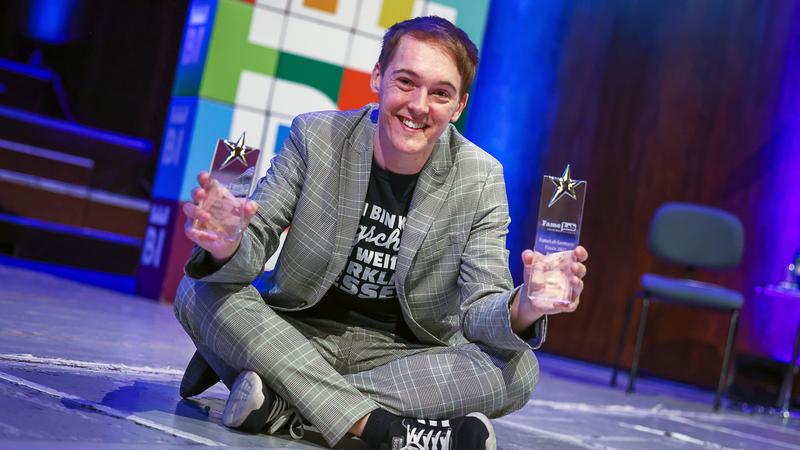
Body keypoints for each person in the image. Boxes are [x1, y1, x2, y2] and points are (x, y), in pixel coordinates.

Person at [174, 16, 588, 450]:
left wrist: (527, 304)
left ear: (459, 106)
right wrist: (226, 245)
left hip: (403, 357)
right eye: (406, 82)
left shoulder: (480, 178)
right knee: (196, 288)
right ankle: (380, 429)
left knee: (519, 371)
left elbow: (482, 305)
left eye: (440, 93)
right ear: (378, 77)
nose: (419, 105)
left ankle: (283, 404)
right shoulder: (315, 137)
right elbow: (254, 243)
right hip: (296, 331)